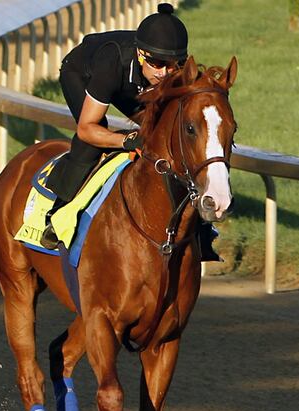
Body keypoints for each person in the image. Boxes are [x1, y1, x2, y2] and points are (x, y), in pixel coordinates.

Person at [41, 2, 219, 261]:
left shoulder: (174, 72)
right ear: (140, 55)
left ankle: (200, 230)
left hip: (132, 84)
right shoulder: (111, 63)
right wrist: (126, 140)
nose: (165, 73)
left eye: (175, 64)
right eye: (158, 63)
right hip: (84, 72)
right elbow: (87, 129)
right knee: (96, 138)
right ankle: (59, 212)